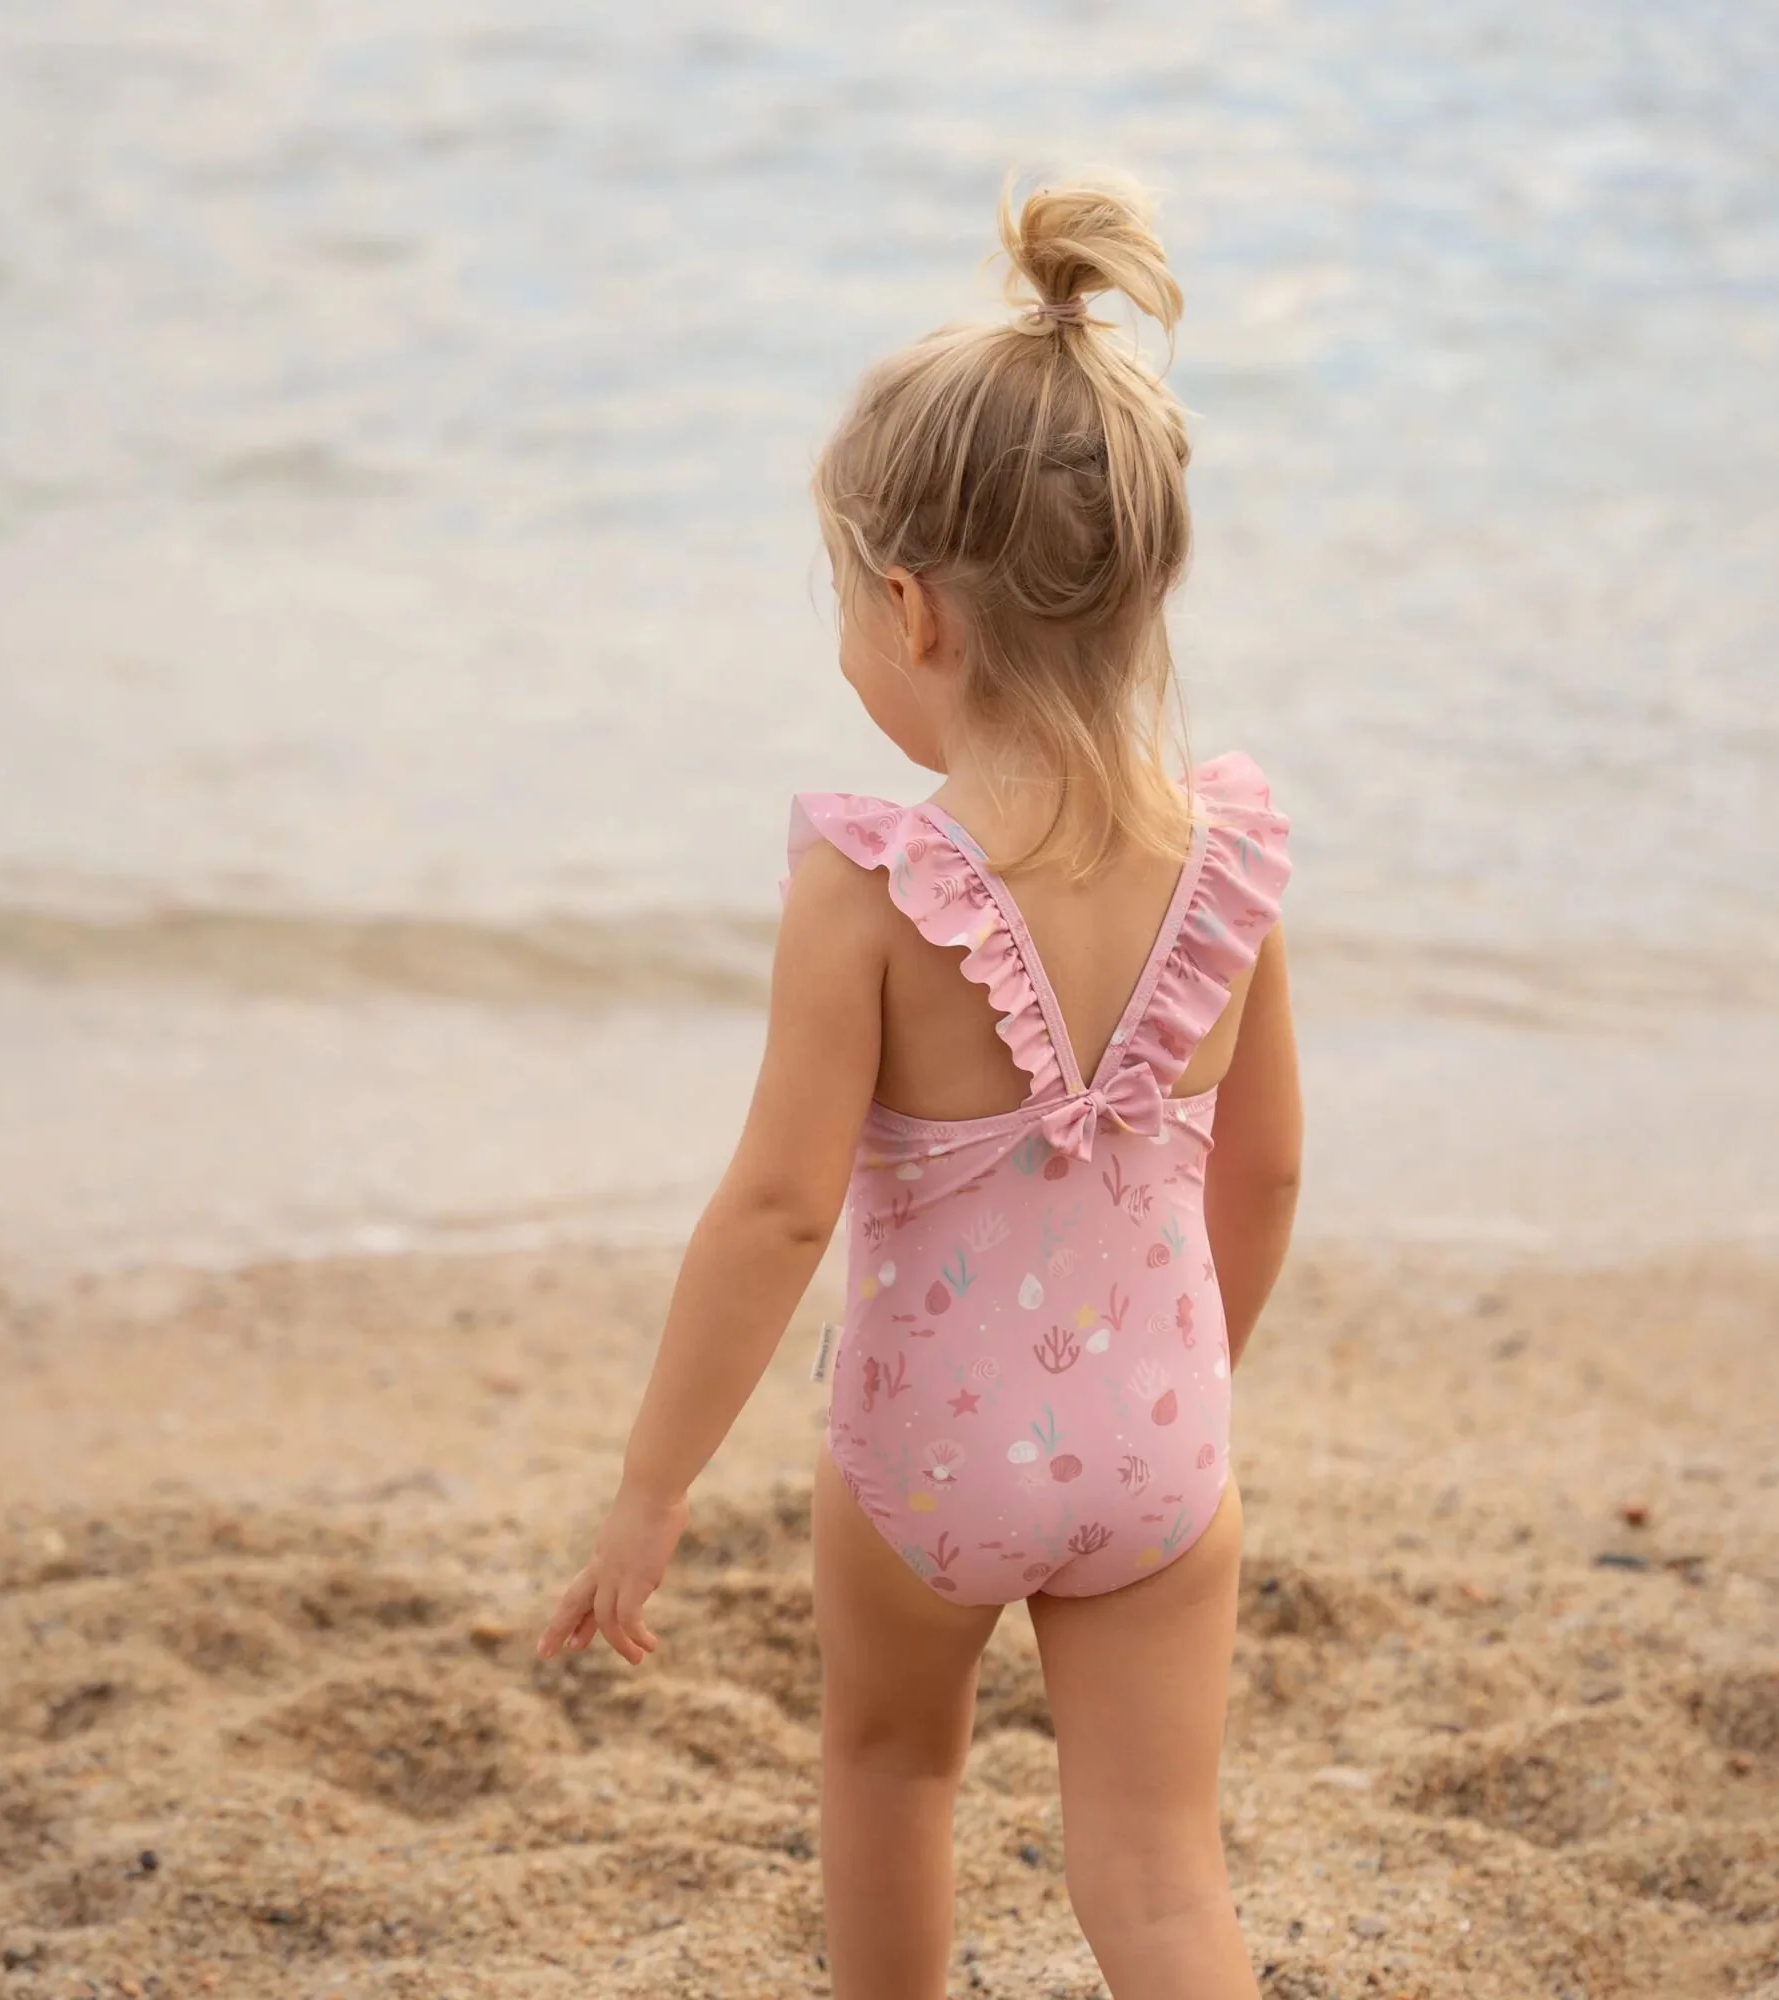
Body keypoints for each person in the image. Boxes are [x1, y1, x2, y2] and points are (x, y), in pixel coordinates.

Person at [538, 169, 1303, 2000]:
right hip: (1159, 1445)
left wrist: (651, 1486)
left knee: (892, 1773)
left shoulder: (875, 884)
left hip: (929, 1454)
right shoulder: (1229, 859)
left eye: (844, 603)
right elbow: (1266, 1172)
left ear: (910, 609)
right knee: (1161, 1875)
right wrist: (1179, 1391)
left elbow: (778, 1208)